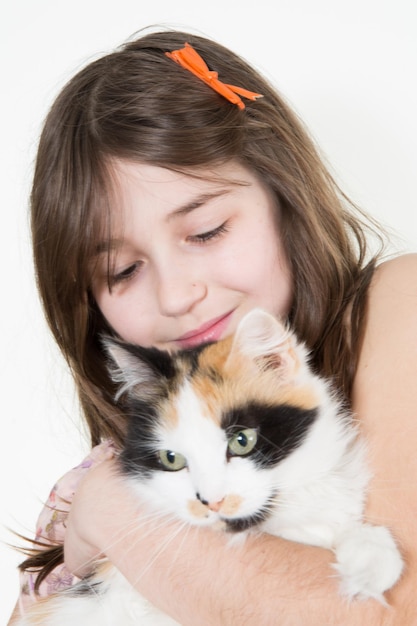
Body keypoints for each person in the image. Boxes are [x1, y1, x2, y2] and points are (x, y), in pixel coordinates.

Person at [8, 27, 417, 625]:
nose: (177, 296)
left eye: (205, 232)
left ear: (281, 192)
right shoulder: (86, 484)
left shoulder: (396, 306)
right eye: (122, 269)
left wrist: (114, 513)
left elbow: (388, 610)